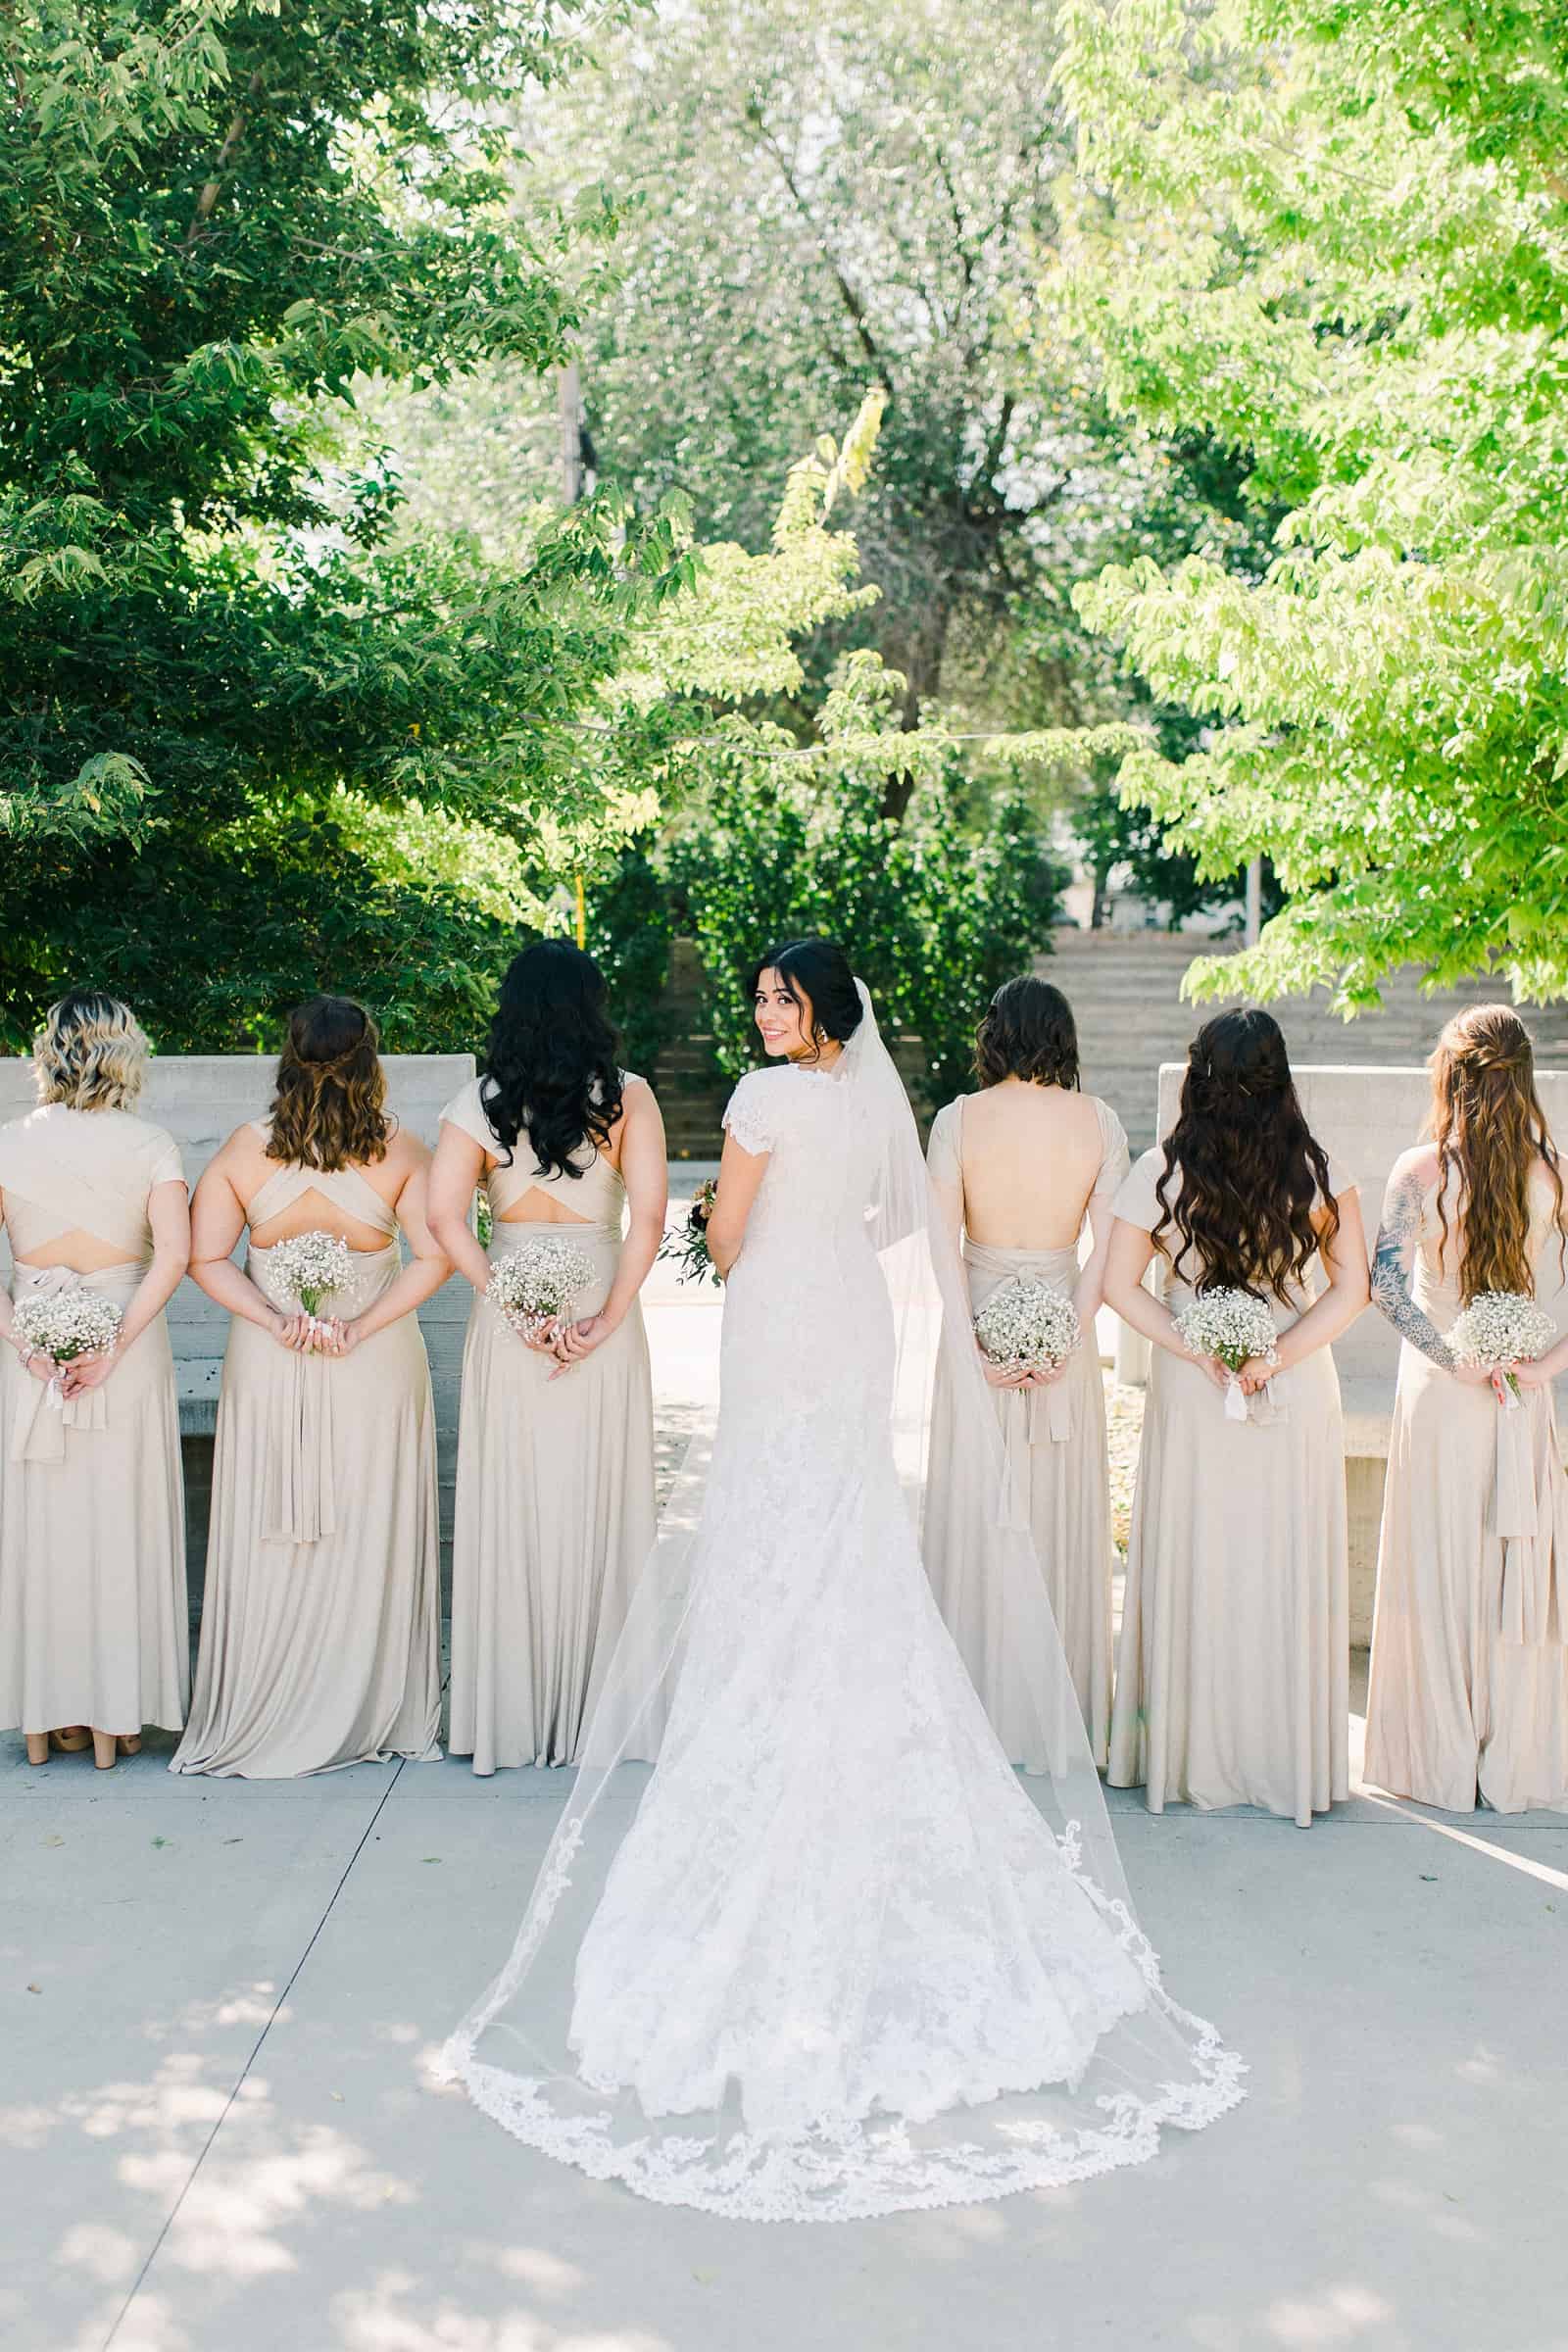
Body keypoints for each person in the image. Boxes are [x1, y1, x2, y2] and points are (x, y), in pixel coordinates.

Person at [438, 940, 1243, 2223]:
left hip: (782, 1315)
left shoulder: (761, 1105)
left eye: (781, 997)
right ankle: (838, 1696)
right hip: (845, 1317)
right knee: (842, 1514)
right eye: (758, 994)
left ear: (820, 1012)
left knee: (774, 1515)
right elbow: (892, 1221)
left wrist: (719, 1227)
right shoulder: (878, 1102)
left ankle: (770, 1705)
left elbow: (733, 1227)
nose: (763, 1012)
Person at [1104, 1008, 1368, 1828]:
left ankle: (1187, 1758)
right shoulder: (1322, 1174)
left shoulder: (1161, 1170)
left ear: (1199, 1076)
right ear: (1280, 1076)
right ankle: (1282, 1763)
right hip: (1293, 1390)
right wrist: (1275, 1359)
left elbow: (1119, 1288)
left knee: (1203, 1561)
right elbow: (1352, 1290)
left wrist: (1194, 1349)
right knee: (1280, 1566)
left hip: (1197, 1395)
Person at [172, 997, 446, 1778]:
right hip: (374, 1357)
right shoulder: (400, 1151)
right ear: (371, 1060)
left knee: (273, 1528)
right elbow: (434, 1258)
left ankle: (268, 1699)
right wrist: (359, 1325)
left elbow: (204, 1258)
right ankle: (366, 1704)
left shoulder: (243, 1150)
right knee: (367, 1520)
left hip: (274, 1356)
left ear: (287, 1057)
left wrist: (271, 1316)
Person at [428, 940, 665, 1773]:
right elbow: (651, 1222)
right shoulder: (630, 1097)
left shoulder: (479, 1102)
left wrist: (507, 1301)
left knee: (516, 1501)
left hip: (512, 1318)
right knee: (598, 1500)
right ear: (593, 1007)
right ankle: (599, 1712)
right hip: (602, 1302)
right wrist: (606, 1317)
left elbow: (446, 1221)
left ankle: (512, 1716)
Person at [1365, 1004, 1568, 1812]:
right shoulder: (1552, 1172)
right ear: (1523, 1080)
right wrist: (1538, 1367)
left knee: (1438, 1563)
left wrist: (1457, 1358)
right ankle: (1512, 1754)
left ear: (1449, 1075)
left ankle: (1434, 1758)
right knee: (1503, 1568)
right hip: (1521, 1395)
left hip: (1443, 1393)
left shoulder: (1419, 1171)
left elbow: (1384, 1288)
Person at [924, 976, 1127, 1763]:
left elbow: (942, 1246)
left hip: (973, 1330)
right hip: (1062, 1342)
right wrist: (1063, 1340)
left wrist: (973, 1345)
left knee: (976, 1510)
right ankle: (1056, 1714)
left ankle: (972, 1707)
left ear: (995, 1034)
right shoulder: (1099, 1122)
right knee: (1053, 1517)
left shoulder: (957, 1120)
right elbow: (1106, 1254)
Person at [0, 992, 189, 1769]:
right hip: (126, 1350)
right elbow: (174, 1257)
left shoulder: (9, 1142)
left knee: (46, 1533)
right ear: (126, 1055)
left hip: (33, 1356)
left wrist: (26, 1341)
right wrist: (111, 1345)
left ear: (50, 1051)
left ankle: (48, 1721)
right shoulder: (150, 1144)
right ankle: (117, 1717)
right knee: (119, 1527)